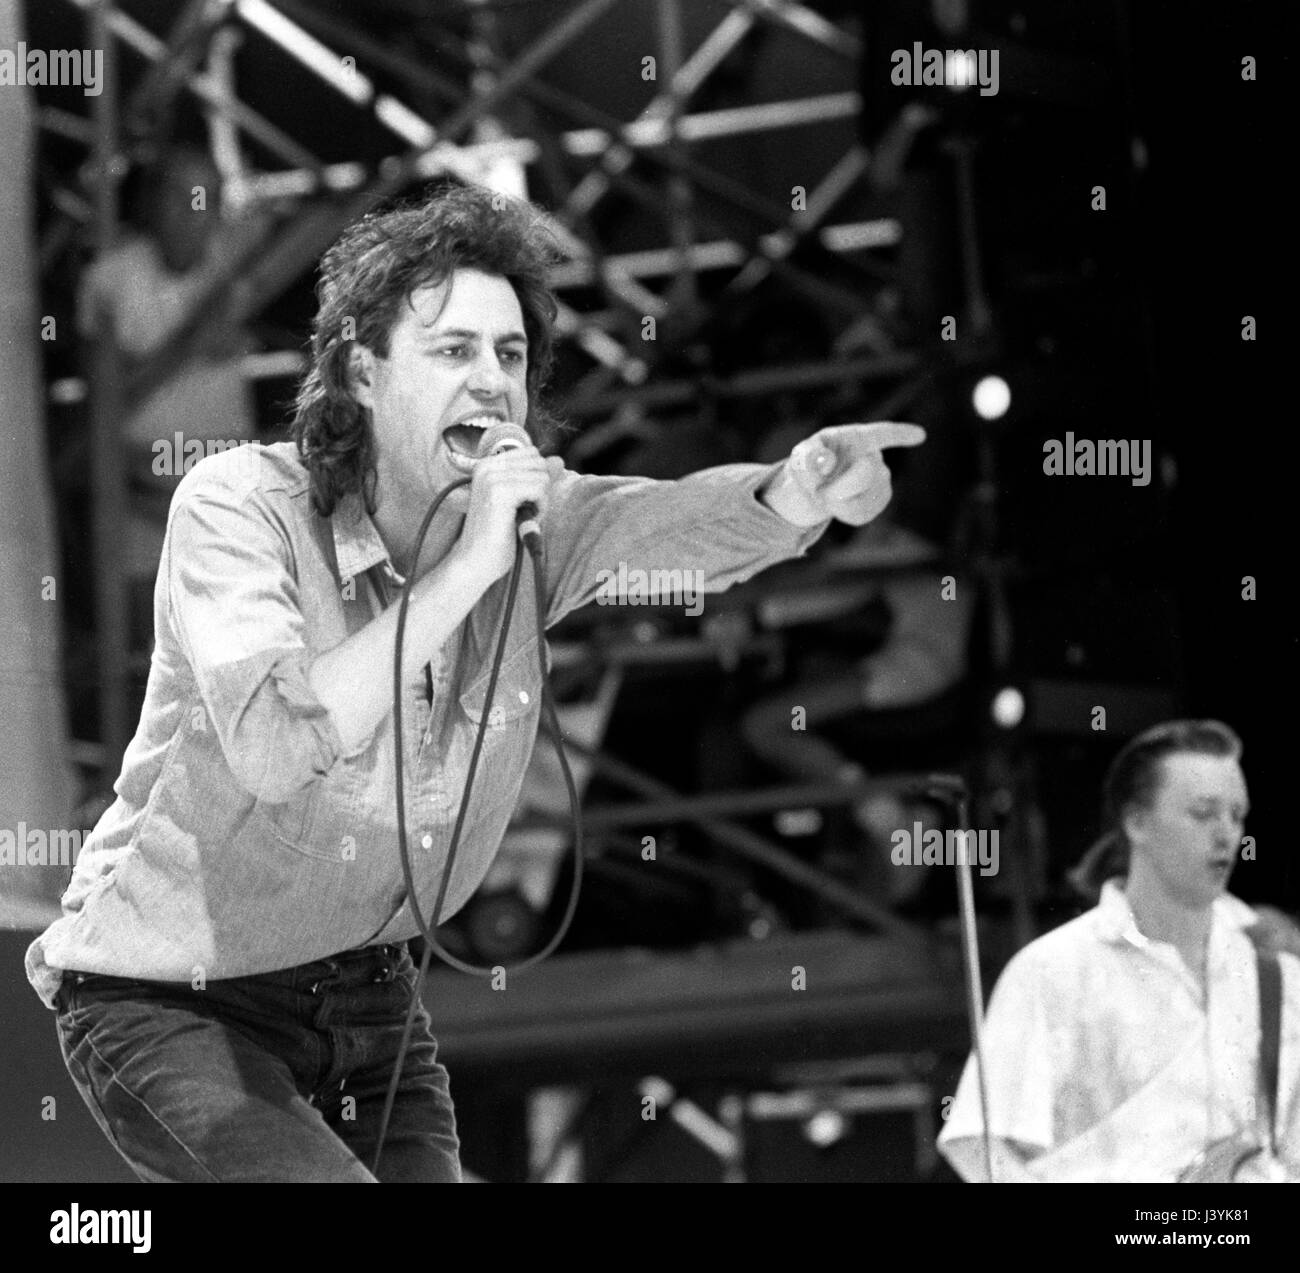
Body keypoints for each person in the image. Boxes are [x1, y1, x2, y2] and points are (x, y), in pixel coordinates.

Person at [28, 183, 925, 1183]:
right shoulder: (243, 506)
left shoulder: (533, 521)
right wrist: (465, 574)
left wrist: (795, 492)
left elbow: (670, 525)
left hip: (370, 993)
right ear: (361, 373)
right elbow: (279, 746)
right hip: (171, 997)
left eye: (509, 354)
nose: (491, 381)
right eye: (453, 351)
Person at [938, 719, 1300, 1182]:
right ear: (1136, 821)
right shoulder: (1053, 970)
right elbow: (980, 1145)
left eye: (1237, 815)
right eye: (1204, 813)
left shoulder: (1277, 977)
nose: (1227, 833)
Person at [76, 143, 261, 650]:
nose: (193, 211)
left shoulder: (238, 270)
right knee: (150, 670)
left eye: (206, 197)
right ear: (153, 204)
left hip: (223, 511)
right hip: (139, 508)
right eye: (180, 196)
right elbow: (100, 410)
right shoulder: (111, 281)